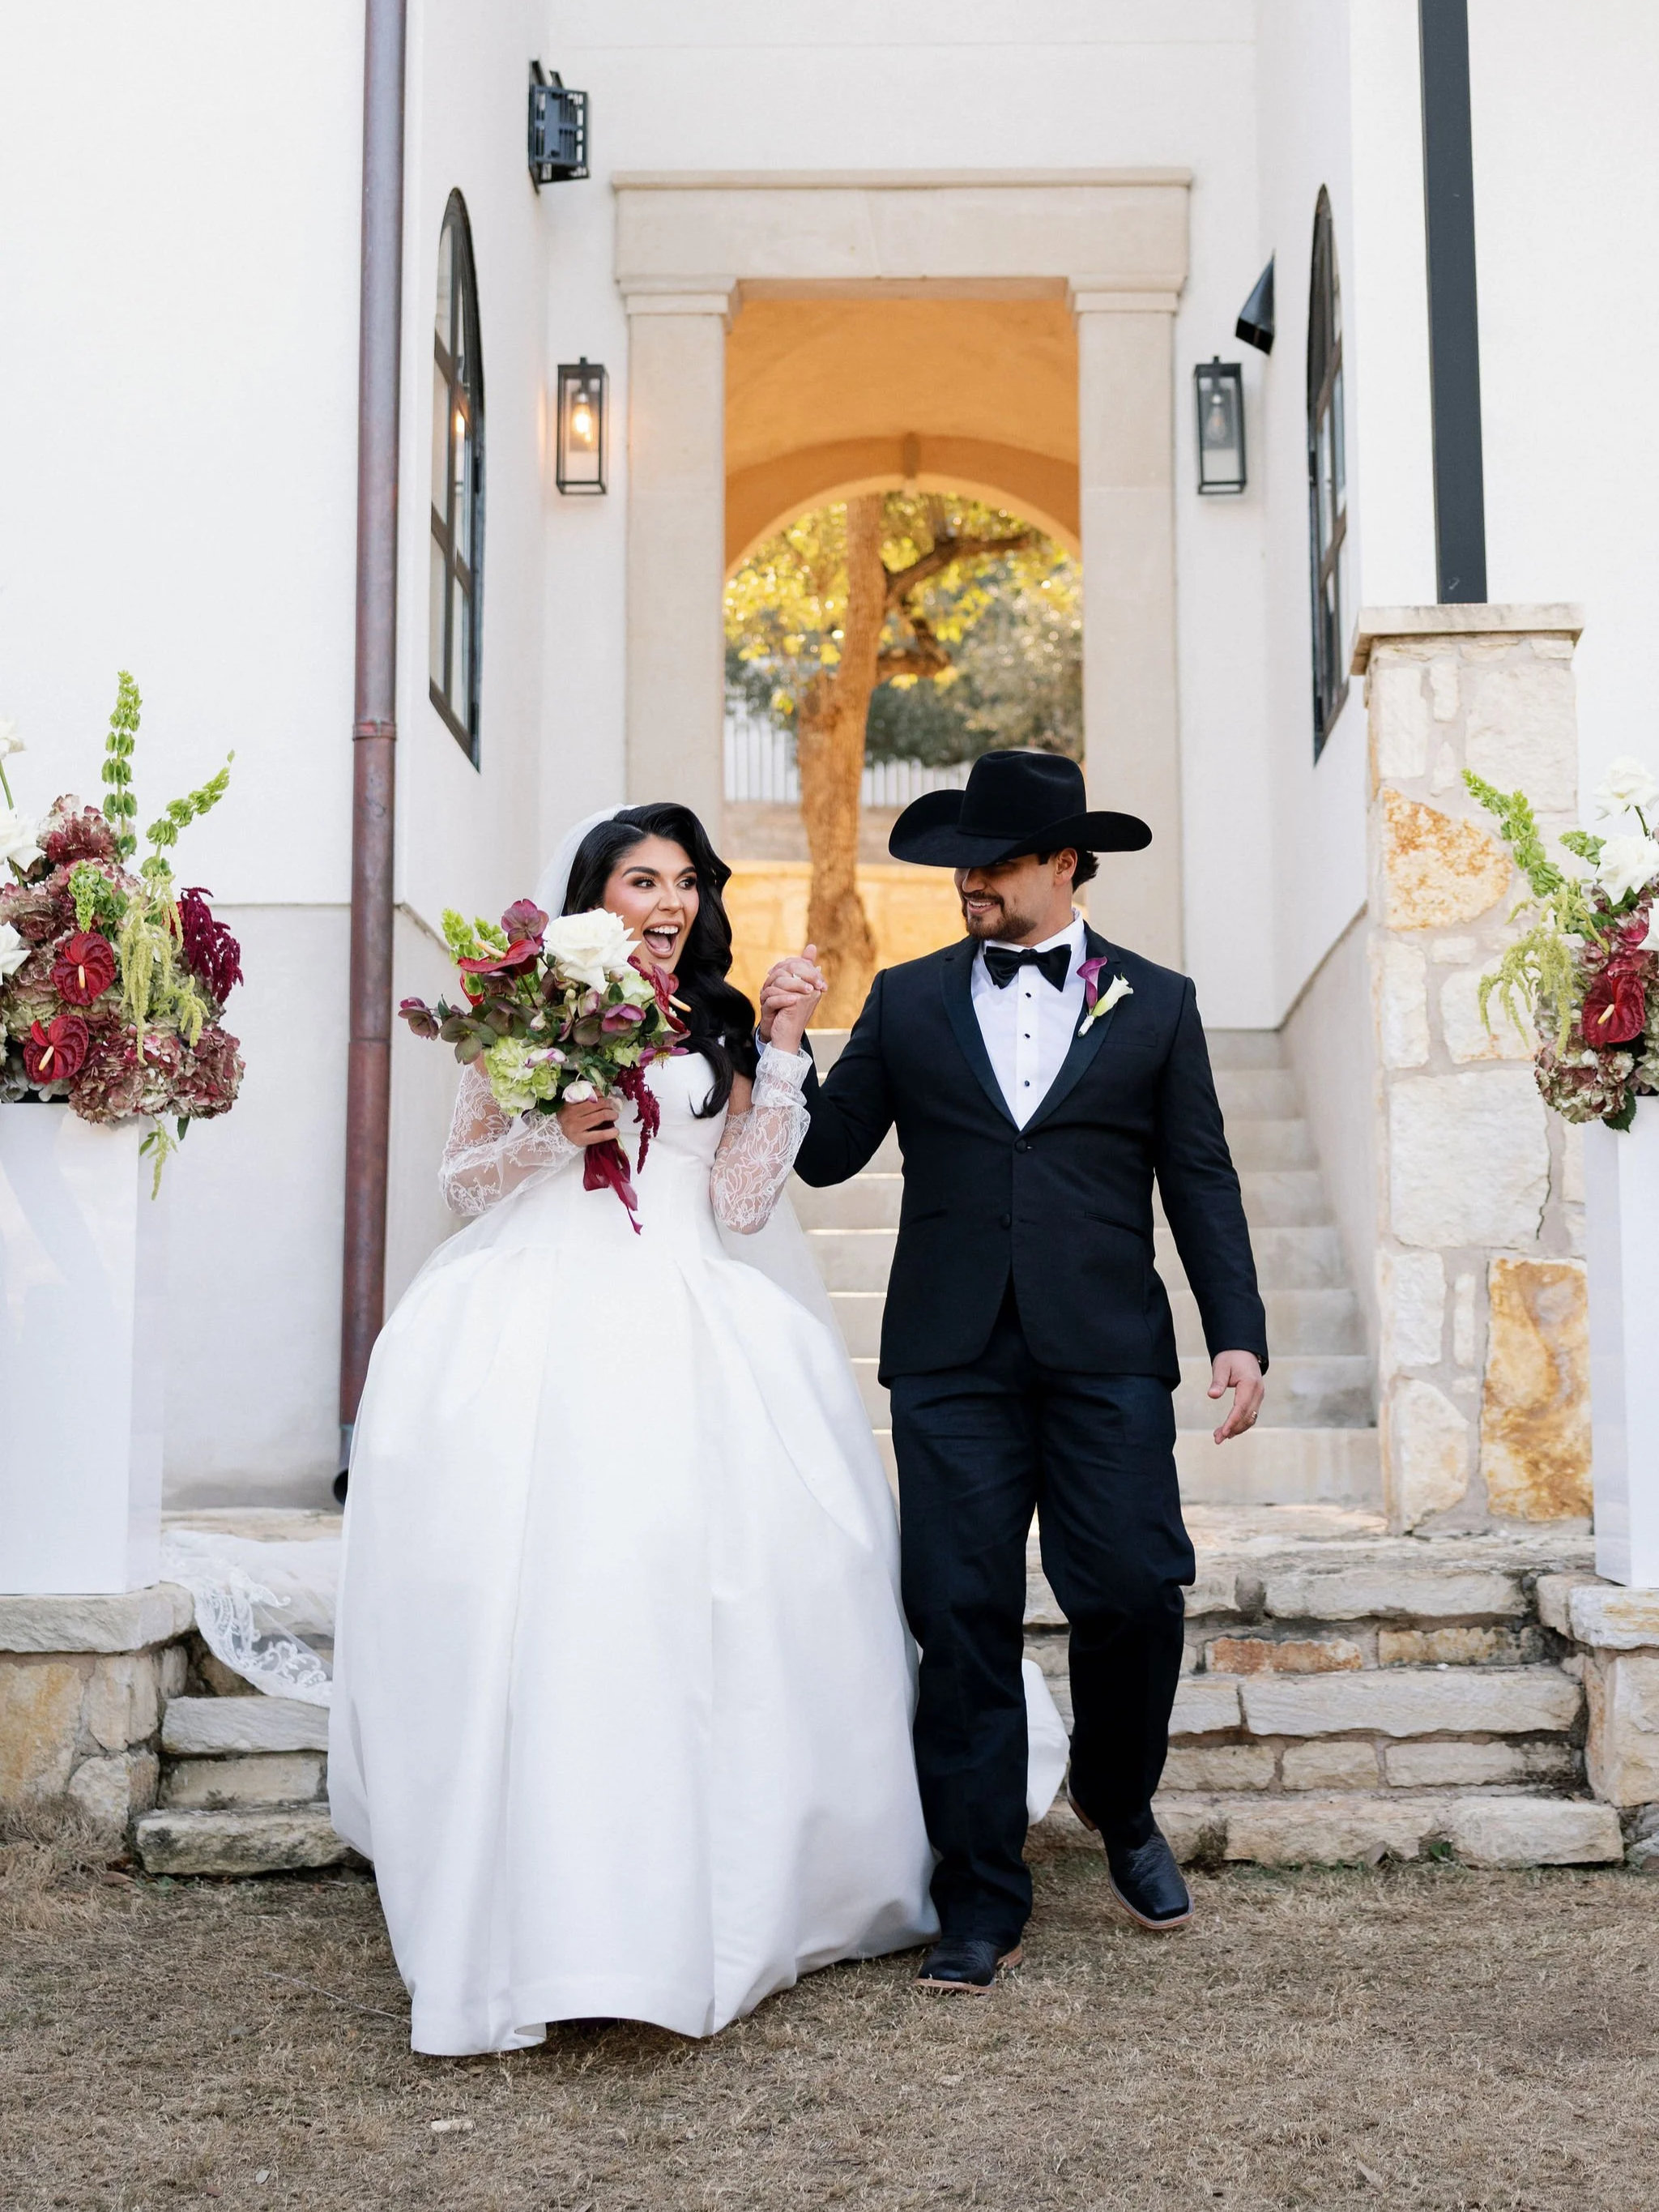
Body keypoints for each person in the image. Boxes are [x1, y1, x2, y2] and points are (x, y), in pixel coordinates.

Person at [329, 802, 948, 2053]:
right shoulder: (523, 1001)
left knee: (707, 1593)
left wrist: (778, 1049)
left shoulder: (713, 1022)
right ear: (594, 893)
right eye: (640, 877)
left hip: (686, 1313)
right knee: (553, 1600)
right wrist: (551, 1136)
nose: (667, 901)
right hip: (540, 1321)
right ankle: (543, 1896)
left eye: (683, 882)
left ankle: (712, 1886)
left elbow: (738, 1196)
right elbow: (459, 1180)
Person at [761, 749, 1269, 1996]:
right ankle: (980, 1894)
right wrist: (784, 1045)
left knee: (1139, 1588)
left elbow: (1198, 1176)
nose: (968, 880)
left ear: (1064, 864)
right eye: (960, 862)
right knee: (961, 1612)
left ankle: (1116, 1795)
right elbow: (825, 1159)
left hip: (1106, 1350)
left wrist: (1237, 1330)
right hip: (951, 1354)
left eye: (991, 860)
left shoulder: (1157, 1002)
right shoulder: (913, 998)